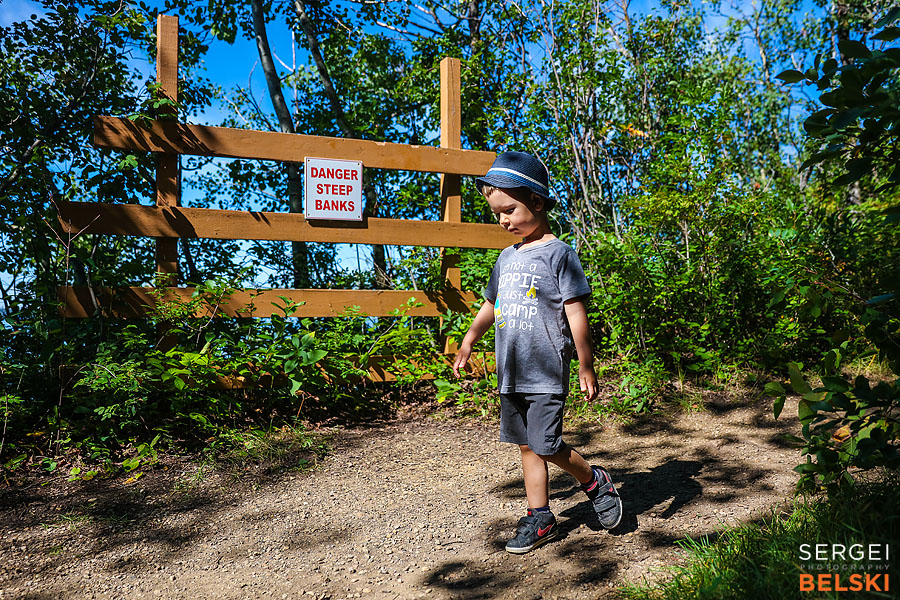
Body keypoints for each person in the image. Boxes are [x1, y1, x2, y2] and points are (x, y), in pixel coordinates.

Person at [452, 151, 622, 554]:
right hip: (510, 372)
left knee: (546, 444)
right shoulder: (505, 258)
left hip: (546, 369)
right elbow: (492, 304)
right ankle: (539, 516)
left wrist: (586, 362)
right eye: (497, 214)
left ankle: (594, 479)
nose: (503, 220)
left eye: (509, 210)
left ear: (537, 202)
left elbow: (575, 310)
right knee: (527, 446)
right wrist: (470, 337)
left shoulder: (559, 253)